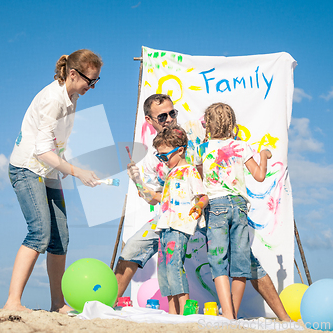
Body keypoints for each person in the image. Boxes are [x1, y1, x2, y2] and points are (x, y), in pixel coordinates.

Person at [117, 94, 290, 321]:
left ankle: (284, 317)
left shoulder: (195, 132)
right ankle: (108, 306)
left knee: (246, 259)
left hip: (211, 210)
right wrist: (140, 184)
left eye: (172, 113)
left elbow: (220, 146)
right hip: (175, 217)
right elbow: (154, 197)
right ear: (149, 120)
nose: (169, 118)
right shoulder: (153, 155)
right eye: (162, 116)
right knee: (133, 247)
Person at [4, 49, 103, 313]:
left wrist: (78, 167)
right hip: (28, 169)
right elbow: (41, 150)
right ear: (73, 74)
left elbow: (56, 147)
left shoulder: (72, 97)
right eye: (89, 81)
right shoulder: (53, 99)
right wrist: (76, 171)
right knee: (39, 233)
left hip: (47, 172)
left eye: (95, 81)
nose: (92, 86)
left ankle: (58, 304)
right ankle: (12, 302)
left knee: (61, 239)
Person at [196, 102, 272, 319]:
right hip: (239, 207)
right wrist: (264, 156)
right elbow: (259, 176)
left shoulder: (202, 149)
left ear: (207, 124)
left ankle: (227, 313)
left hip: (215, 206)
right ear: (232, 123)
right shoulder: (242, 147)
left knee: (217, 261)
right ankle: (233, 314)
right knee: (240, 263)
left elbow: (199, 180)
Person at [152, 125, 208, 314]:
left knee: (174, 265)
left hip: (179, 226)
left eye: (165, 155)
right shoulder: (170, 173)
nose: (162, 160)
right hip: (165, 226)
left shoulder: (189, 171)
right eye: (159, 156)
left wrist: (199, 206)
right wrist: (144, 188)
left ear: (181, 150)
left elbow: (203, 196)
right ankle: (172, 312)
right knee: (164, 269)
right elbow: (165, 199)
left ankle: (185, 311)